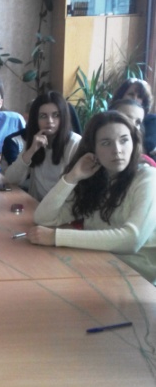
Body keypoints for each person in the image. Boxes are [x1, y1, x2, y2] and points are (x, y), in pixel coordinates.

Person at [28, 111, 156, 284]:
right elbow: (43, 218)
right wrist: (72, 177)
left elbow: (132, 239)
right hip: (97, 268)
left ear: (134, 143)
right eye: (106, 143)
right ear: (92, 149)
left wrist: (56, 237)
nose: (117, 150)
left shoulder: (148, 177)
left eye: (124, 140)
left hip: (138, 281)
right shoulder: (95, 180)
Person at [4, 92, 82, 201]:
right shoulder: (35, 141)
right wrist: (31, 151)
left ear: (63, 117)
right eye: (43, 116)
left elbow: (77, 191)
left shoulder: (75, 143)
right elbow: (10, 179)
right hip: (36, 205)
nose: (49, 121)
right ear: (36, 120)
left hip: (62, 208)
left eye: (56, 115)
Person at [112, 78, 156, 161]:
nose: (135, 98)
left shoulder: (152, 120)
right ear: (121, 96)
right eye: (131, 94)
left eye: (139, 97)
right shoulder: (107, 118)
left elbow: (148, 145)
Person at [110, 98, 156, 167]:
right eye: (126, 118)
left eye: (138, 122)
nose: (133, 125)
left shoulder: (146, 164)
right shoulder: (93, 158)